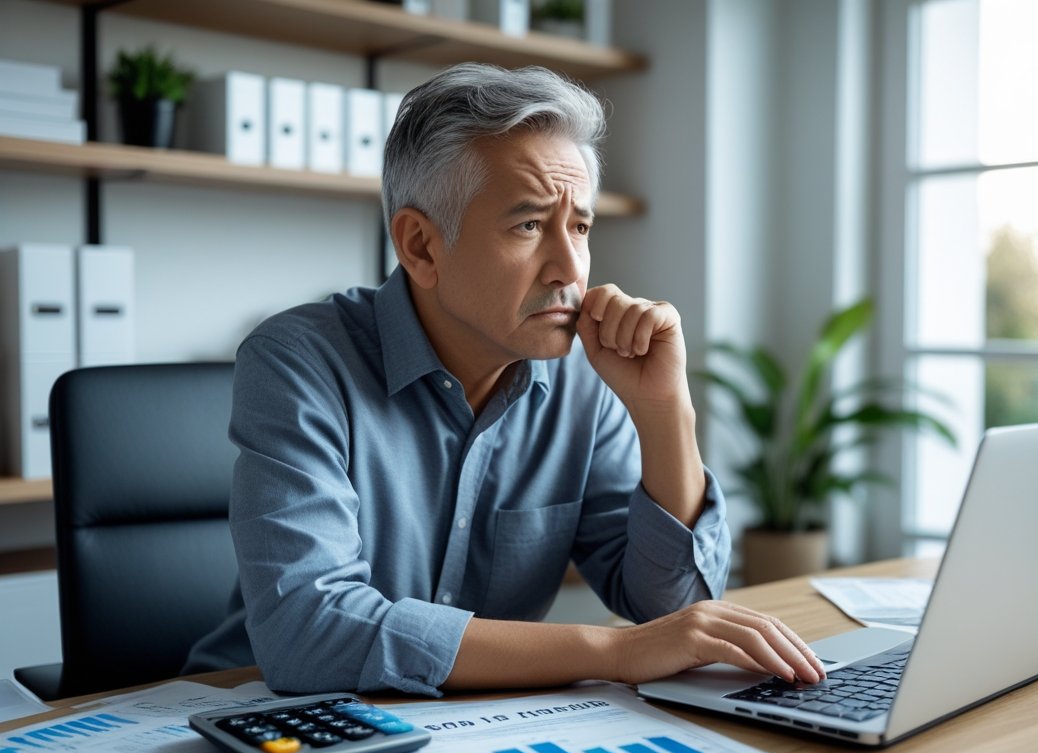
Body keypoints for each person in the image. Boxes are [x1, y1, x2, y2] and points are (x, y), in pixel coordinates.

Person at [185, 63, 826, 695]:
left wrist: (666, 414)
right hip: (249, 720)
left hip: (466, 737)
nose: (570, 269)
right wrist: (613, 651)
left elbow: (672, 613)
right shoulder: (298, 361)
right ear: (421, 247)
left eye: (580, 226)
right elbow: (310, 628)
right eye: (528, 225)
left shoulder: (582, 376)